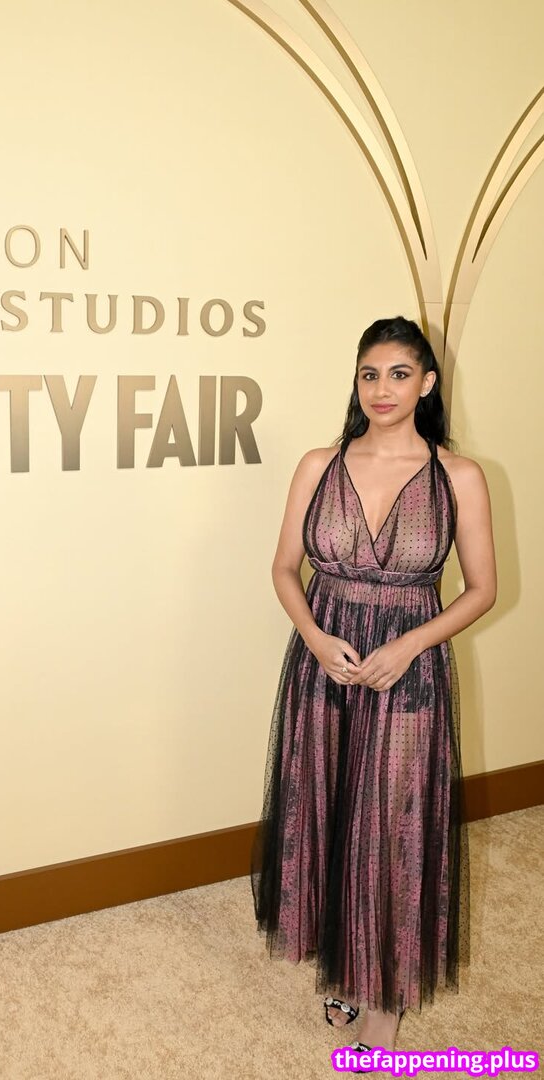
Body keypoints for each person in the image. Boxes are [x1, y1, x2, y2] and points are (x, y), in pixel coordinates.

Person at [250, 316, 496, 1057]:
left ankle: (386, 992)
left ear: (427, 384)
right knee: (326, 810)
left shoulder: (459, 477)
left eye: (398, 373)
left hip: (408, 674)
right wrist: (314, 637)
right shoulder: (318, 464)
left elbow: (482, 590)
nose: (382, 388)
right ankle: (344, 963)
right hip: (325, 664)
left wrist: (411, 644)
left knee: (394, 825)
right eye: (369, 373)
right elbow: (284, 569)